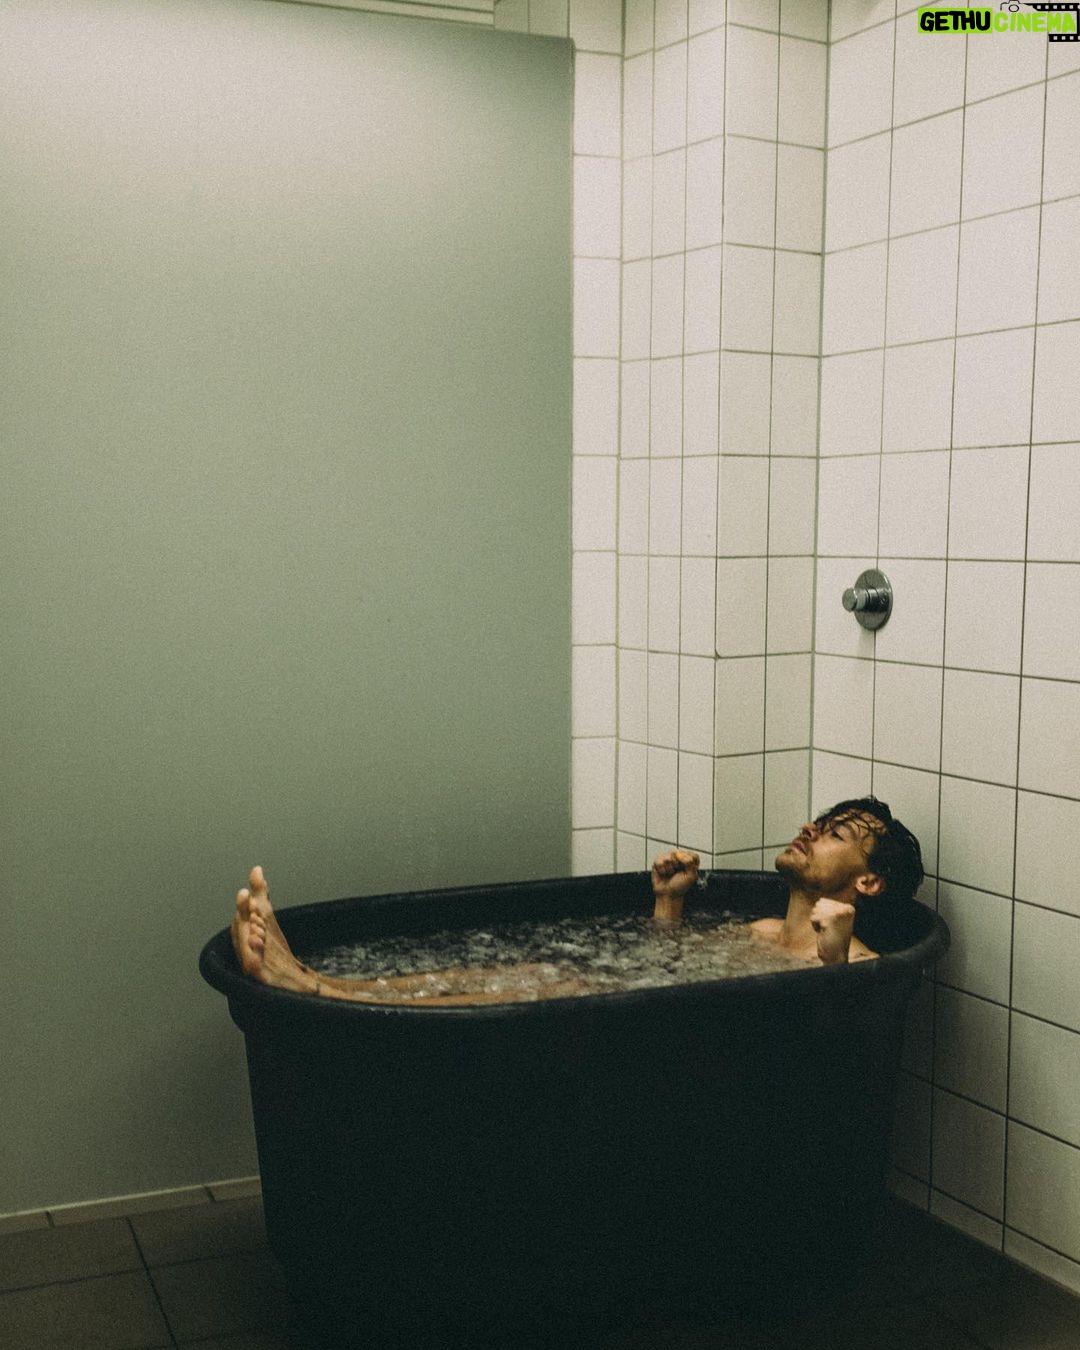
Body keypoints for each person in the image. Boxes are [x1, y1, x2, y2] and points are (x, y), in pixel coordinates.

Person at [230, 796, 923, 1003]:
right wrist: (668, 906)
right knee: (536, 974)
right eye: (820, 820)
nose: (811, 830)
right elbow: (666, 972)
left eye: (837, 834)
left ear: (868, 883)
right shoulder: (760, 930)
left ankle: (312, 988)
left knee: (556, 986)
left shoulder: (860, 960)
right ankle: (322, 982)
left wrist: (834, 960)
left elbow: (833, 1057)